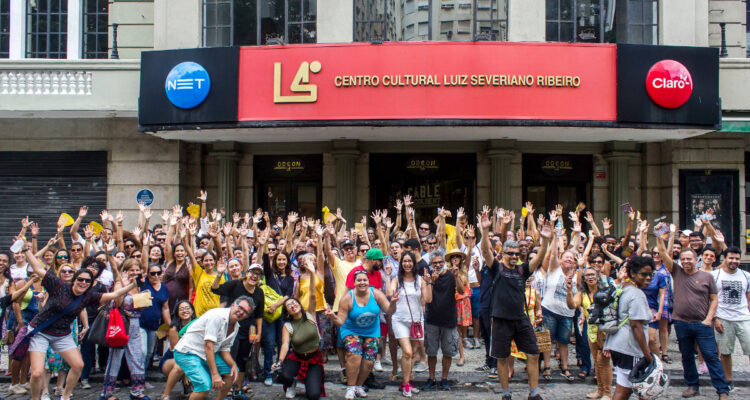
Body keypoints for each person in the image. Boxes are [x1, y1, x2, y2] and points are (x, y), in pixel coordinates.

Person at [23, 245, 138, 400]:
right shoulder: (59, 285)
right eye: (80, 279)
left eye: (87, 281)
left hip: (62, 334)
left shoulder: (89, 296)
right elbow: (37, 268)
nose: (83, 283)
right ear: (74, 280)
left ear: (90, 284)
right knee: (36, 373)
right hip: (41, 331)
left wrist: (132, 284)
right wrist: (26, 250)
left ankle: (65, 396)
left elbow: (115, 294)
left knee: (78, 365)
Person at [479, 208, 550, 400]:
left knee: (533, 354)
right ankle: (505, 393)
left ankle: (534, 393)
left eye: (516, 253)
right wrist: (485, 231)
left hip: (521, 318)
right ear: (503, 253)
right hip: (500, 320)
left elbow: (540, 257)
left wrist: (544, 240)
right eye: (509, 253)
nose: (513, 256)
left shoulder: (522, 269)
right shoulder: (497, 268)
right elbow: (486, 251)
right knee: (502, 357)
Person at [663, 240, 729, 399]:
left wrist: (709, 319)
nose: (686, 261)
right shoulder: (677, 272)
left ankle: (722, 390)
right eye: (683, 259)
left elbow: (714, 299)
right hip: (681, 323)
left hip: (702, 324)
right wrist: (661, 237)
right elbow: (664, 255)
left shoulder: (707, 277)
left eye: (689, 259)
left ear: (696, 260)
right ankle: (692, 385)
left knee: (711, 356)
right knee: (686, 356)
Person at [327, 269, 398, 400]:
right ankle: (350, 387)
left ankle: (359, 386)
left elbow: (389, 310)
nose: (362, 282)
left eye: (364, 280)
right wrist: (333, 316)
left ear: (368, 282)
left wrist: (393, 302)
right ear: (354, 283)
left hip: (372, 331)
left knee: (369, 361)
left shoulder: (376, 293)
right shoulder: (347, 298)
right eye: (359, 280)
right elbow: (341, 321)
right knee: (355, 355)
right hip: (351, 330)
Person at [173, 296, 255, 400]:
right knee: (204, 386)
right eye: (240, 308)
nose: (241, 312)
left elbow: (224, 349)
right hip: (187, 352)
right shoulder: (217, 316)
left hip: (204, 353)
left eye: (245, 312)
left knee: (232, 372)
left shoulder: (236, 326)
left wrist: (233, 364)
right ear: (233, 304)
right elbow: (208, 346)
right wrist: (215, 374)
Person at [602, 255, 656, 400]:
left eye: (651, 274)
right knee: (626, 391)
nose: (648, 277)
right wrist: (647, 354)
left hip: (618, 346)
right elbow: (636, 325)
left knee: (624, 387)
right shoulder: (637, 294)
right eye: (644, 274)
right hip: (630, 348)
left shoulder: (622, 288)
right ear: (632, 273)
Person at [210, 260, 265, 400]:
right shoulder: (235, 285)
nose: (255, 276)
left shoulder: (259, 292)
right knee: (229, 357)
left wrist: (258, 333)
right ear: (246, 273)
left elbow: (259, 315)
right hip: (232, 327)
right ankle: (226, 388)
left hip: (249, 329)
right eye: (253, 272)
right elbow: (215, 289)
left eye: (258, 274)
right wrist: (220, 274)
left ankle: (238, 388)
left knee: (243, 358)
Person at [274, 260, 326, 400]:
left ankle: (308, 380)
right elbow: (285, 344)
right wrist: (279, 361)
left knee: (314, 395)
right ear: (287, 312)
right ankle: (291, 383)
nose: (292, 305)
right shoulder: (288, 325)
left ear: (299, 304)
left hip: (313, 358)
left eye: (294, 302)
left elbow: (313, 294)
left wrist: (312, 273)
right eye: (288, 306)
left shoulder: (310, 314)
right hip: (296, 357)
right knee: (284, 376)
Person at [100, 258, 150, 400]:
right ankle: (107, 393)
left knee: (137, 356)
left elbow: (138, 306)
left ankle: (137, 390)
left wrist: (146, 302)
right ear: (125, 271)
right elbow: (117, 303)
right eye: (131, 270)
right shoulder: (119, 283)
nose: (134, 273)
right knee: (115, 357)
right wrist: (124, 286)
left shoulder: (139, 285)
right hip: (121, 324)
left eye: (136, 270)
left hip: (135, 322)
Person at [386, 251, 432, 397]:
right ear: (401, 263)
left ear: (414, 263)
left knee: (411, 354)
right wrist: (387, 275)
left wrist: (429, 282)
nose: (407, 264)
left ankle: (405, 382)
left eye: (409, 261)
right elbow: (389, 293)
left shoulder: (421, 280)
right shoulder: (396, 280)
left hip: (416, 321)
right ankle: (406, 384)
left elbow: (429, 299)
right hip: (399, 319)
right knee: (407, 352)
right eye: (404, 261)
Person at [567, 266, 613, 400]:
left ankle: (607, 393)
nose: (590, 277)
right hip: (591, 331)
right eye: (587, 275)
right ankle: (600, 390)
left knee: (603, 361)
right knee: (597, 362)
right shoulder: (582, 293)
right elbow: (572, 305)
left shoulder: (605, 291)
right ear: (584, 279)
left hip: (604, 331)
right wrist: (569, 291)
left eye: (593, 274)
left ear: (598, 277)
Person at [711, 246, 750, 392]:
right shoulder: (715, 275)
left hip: (744, 318)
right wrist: (715, 319)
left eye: (737, 258)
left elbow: (749, 299)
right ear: (724, 259)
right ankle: (728, 380)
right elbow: (710, 299)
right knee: (725, 352)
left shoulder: (746, 276)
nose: (734, 261)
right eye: (731, 258)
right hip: (724, 319)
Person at [421, 250, 460, 392]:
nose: (437, 265)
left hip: (449, 319)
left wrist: (457, 277)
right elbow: (427, 299)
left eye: (440, 262)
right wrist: (431, 282)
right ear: (430, 264)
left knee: (448, 351)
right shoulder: (427, 277)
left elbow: (461, 290)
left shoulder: (451, 274)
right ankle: (431, 378)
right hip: (432, 319)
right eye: (435, 263)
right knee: (431, 352)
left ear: (444, 262)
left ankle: (444, 379)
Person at [160, 300, 197, 400]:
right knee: (180, 366)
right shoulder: (174, 328)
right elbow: (177, 353)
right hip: (173, 359)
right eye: (181, 309)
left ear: (192, 311)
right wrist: (186, 373)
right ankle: (166, 394)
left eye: (187, 308)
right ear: (177, 313)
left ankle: (191, 388)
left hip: (191, 358)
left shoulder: (197, 326)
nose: (185, 311)